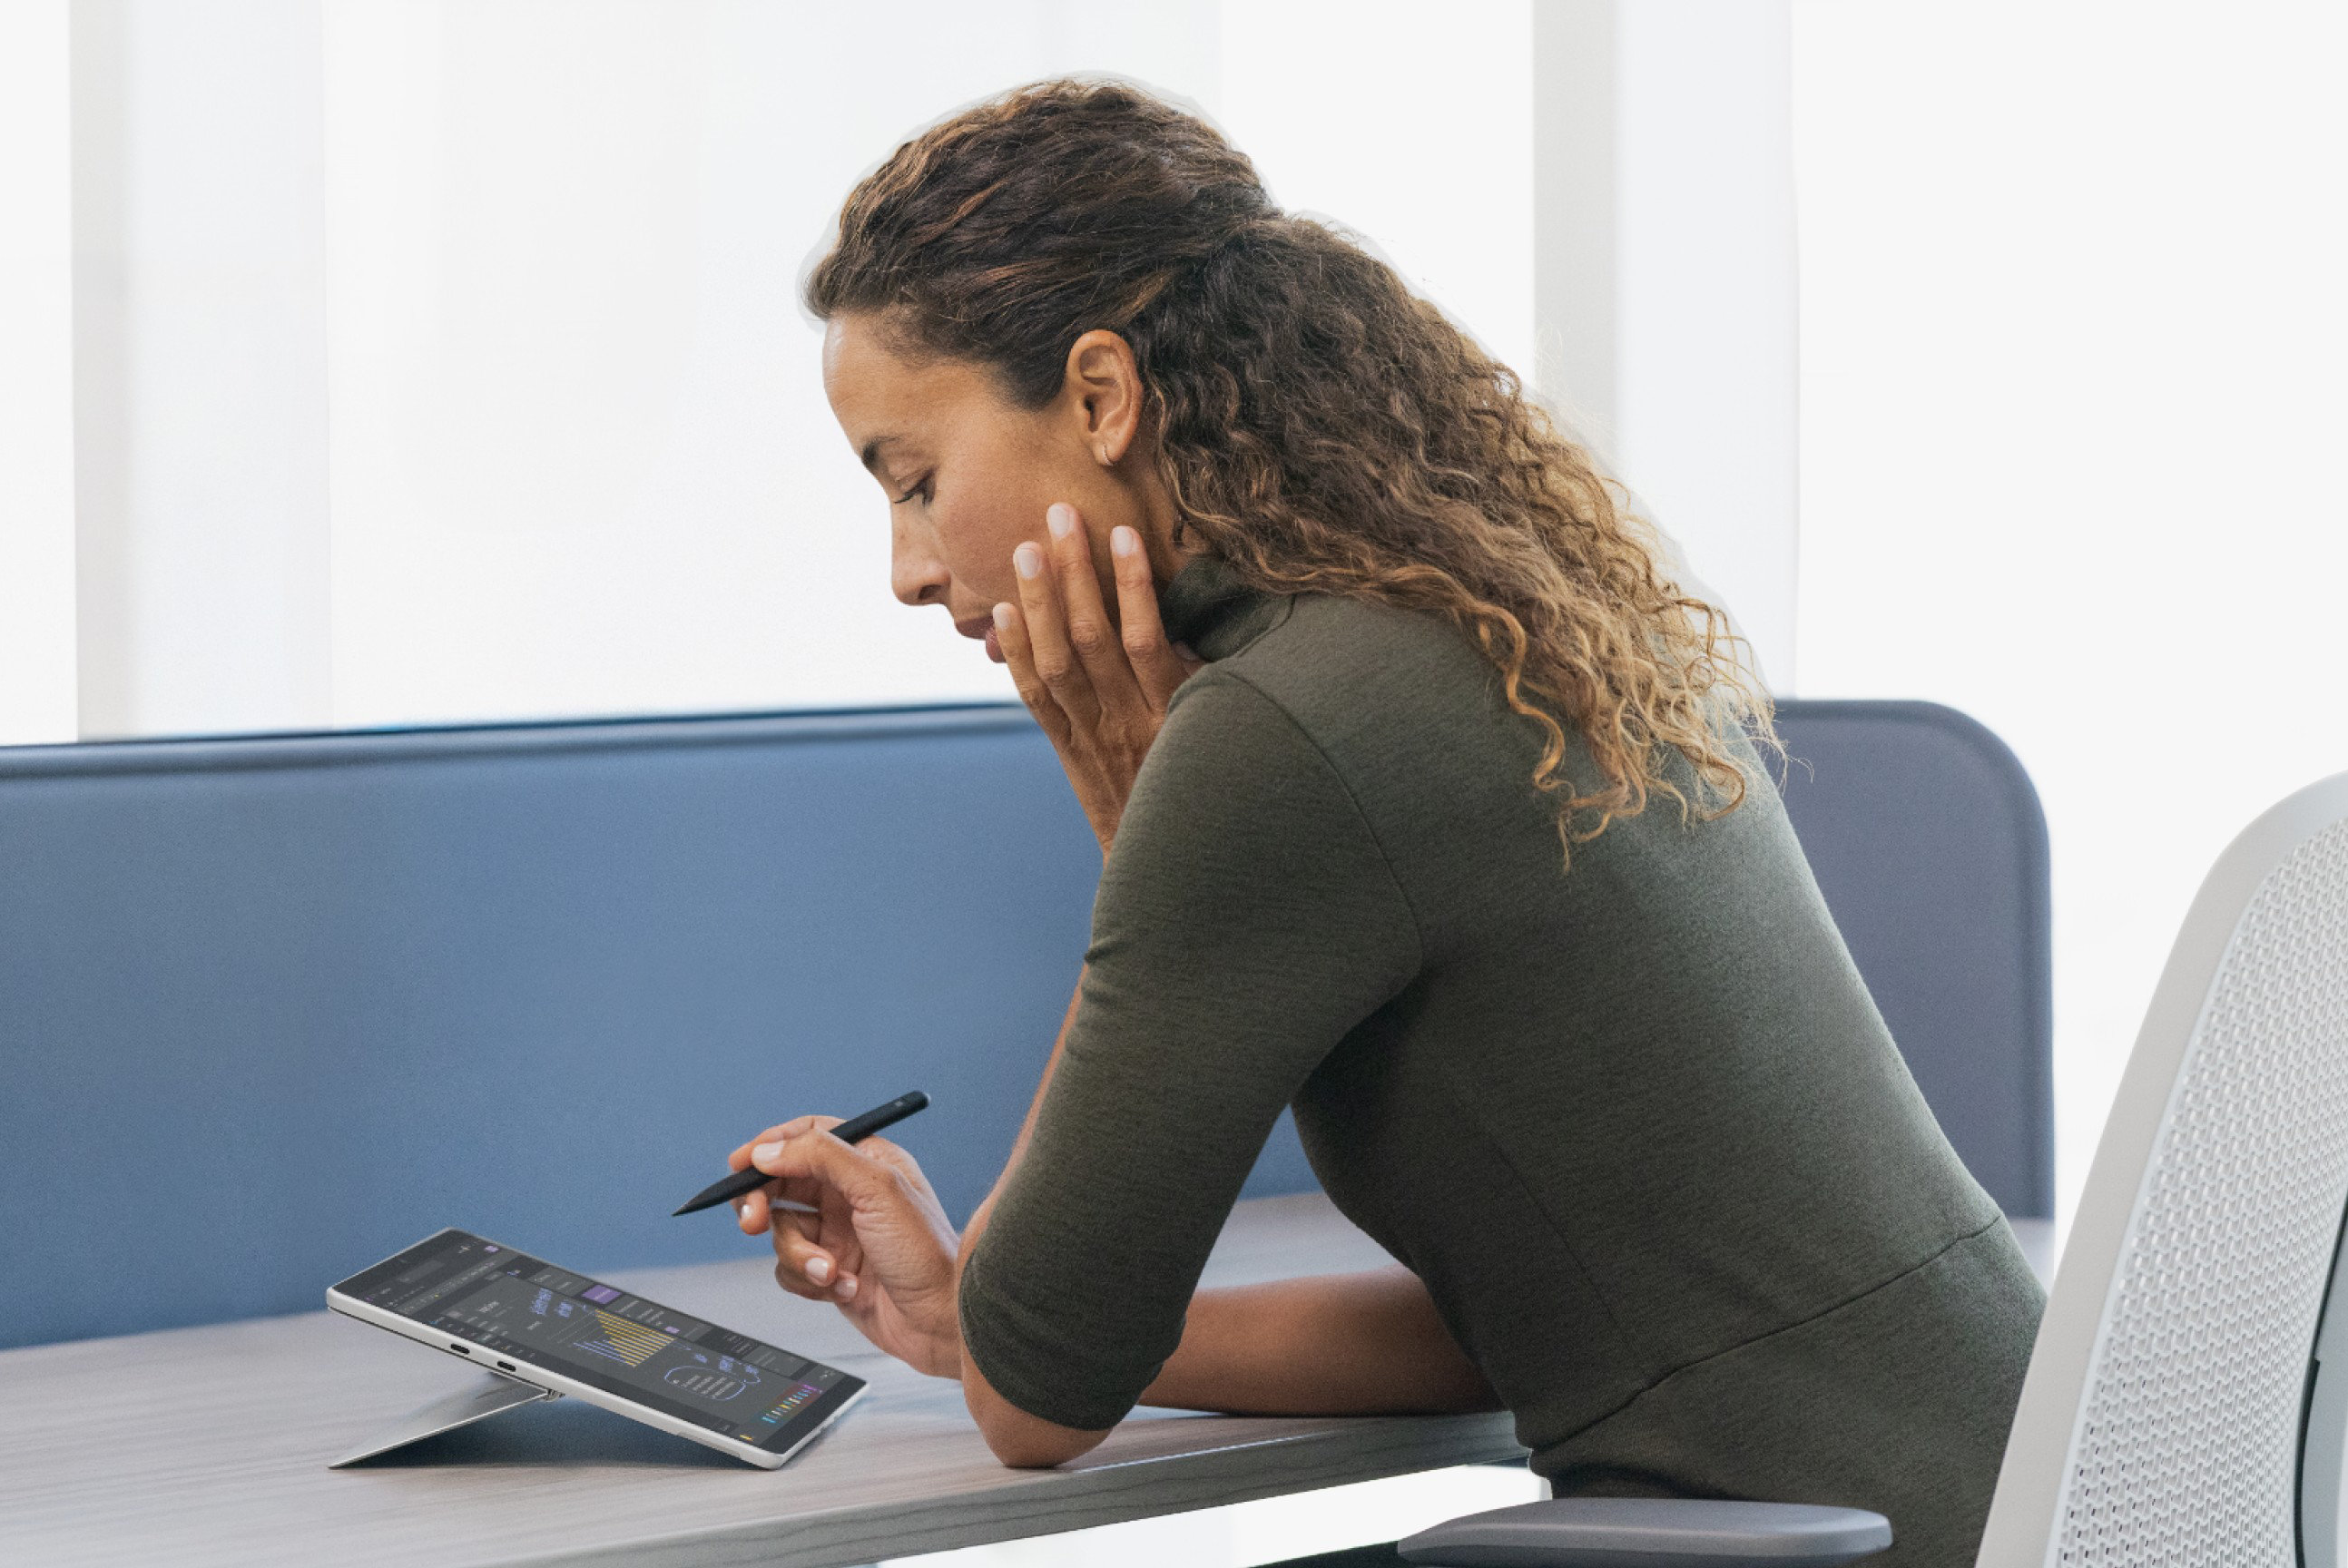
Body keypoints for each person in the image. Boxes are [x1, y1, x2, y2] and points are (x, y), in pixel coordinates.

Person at [722, 79, 2042, 1567]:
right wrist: (979, 1317)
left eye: (916, 480)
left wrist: (1136, 814)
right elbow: (1508, 1324)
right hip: (2020, 1503)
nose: (906, 567)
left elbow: (1038, 1406)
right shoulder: (1470, 639)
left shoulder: (1284, 735)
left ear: (1099, 398)